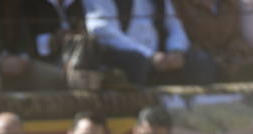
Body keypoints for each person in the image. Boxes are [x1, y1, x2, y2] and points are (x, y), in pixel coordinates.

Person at [82, 0, 218, 86]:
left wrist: (176, 51)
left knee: (202, 61)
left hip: (160, 57)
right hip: (121, 55)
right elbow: (102, 30)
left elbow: (174, 25)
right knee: (136, 62)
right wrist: (150, 55)